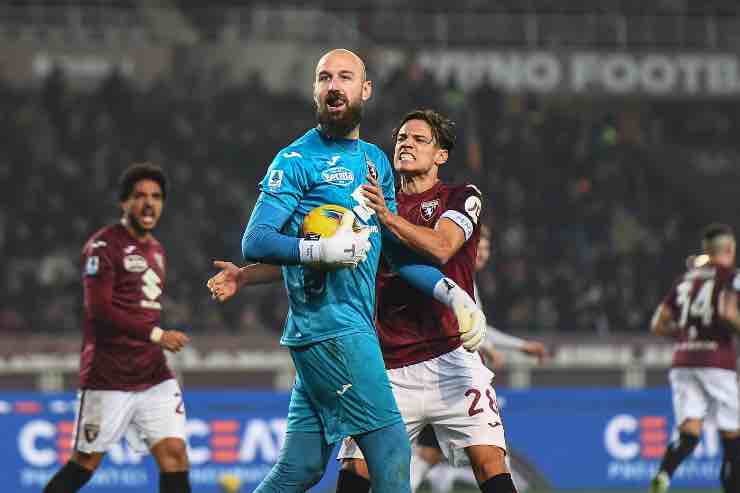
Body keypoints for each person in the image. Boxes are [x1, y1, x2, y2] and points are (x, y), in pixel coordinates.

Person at [211, 50, 486, 493]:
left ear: (365, 90)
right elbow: (256, 240)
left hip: (336, 334)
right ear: (315, 91)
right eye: (324, 78)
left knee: (299, 468)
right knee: (394, 450)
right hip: (332, 330)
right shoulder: (294, 160)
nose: (334, 85)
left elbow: (392, 254)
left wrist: (452, 295)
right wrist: (321, 252)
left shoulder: (375, 161)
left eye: (345, 76)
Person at [327, 108, 516, 493]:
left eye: (418, 139)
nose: (406, 144)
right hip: (389, 365)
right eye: (401, 139)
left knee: (490, 465)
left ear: (441, 155)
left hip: (452, 359)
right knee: (353, 472)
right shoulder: (370, 204)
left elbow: (443, 247)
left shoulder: (461, 197)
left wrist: (387, 218)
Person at [44, 162, 192, 493]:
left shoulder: (156, 249)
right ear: (124, 203)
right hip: (108, 376)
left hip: (153, 373)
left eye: (156, 196)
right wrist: (157, 335)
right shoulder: (103, 246)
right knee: (85, 462)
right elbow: (98, 309)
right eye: (139, 196)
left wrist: (154, 341)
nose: (148, 203)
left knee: (175, 455)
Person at [411, 223, 548, 493]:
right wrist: (499, 346)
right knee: (486, 450)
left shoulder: (463, 280)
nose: (484, 253)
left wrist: (517, 346)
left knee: (430, 453)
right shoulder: (452, 281)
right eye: (479, 247)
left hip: (446, 375)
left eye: (487, 247)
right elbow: (458, 326)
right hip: (455, 376)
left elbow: (477, 326)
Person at [648, 223, 740, 493]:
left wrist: (687, 337)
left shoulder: (686, 279)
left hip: (683, 362)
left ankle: (664, 474)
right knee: (733, 440)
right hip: (717, 363)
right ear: (729, 249)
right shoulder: (731, 276)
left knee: (689, 431)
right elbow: (727, 312)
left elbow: (658, 324)